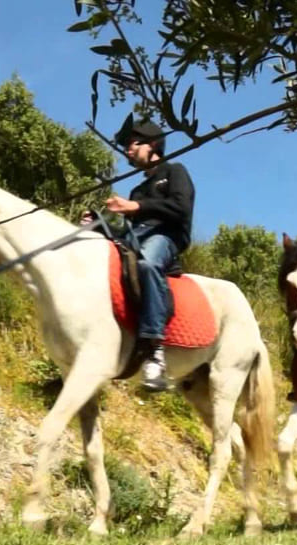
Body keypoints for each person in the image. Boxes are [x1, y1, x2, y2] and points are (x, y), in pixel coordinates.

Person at [105, 120, 195, 392]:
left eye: (131, 144)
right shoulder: (137, 189)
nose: (127, 152)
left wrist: (135, 206)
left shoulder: (175, 171)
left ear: (152, 144)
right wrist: (98, 223)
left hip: (166, 237)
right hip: (136, 238)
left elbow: (181, 207)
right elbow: (127, 230)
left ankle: (155, 350)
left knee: (146, 263)